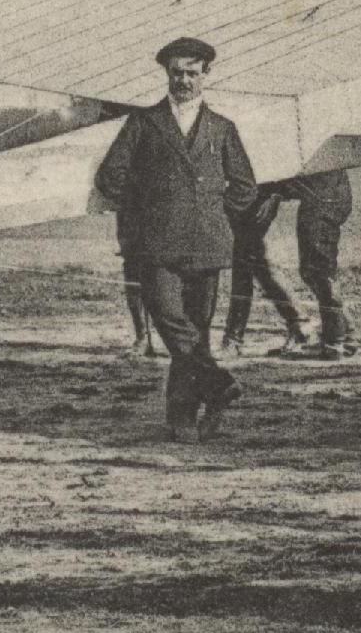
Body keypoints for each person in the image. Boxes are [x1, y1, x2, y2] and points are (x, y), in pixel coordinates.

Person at [93, 37, 260, 439]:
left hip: (207, 245)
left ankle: (186, 418)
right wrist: (146, 211)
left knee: (196, 335)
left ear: (206, 73)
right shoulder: (143, 123)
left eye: (191, 72)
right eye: (176, 72)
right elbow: (110, 178)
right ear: (166, 73)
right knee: (174, 326)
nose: (183, 79)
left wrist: (215, 215)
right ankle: (218, 385)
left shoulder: (222, 129)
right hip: (158, 245)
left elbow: (245, 186)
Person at [222, 186, 312, 356]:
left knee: (251, 258)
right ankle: (298, 325)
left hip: (258, 195)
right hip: (245, 193)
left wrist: (273, 195)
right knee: (248, 259)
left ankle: (233, 339)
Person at [290, 169, 357, 357]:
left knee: (320, 272)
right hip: (322, 198)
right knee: (312, 272)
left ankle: (334, 342)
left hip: (323, 200)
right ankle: (347, 334)